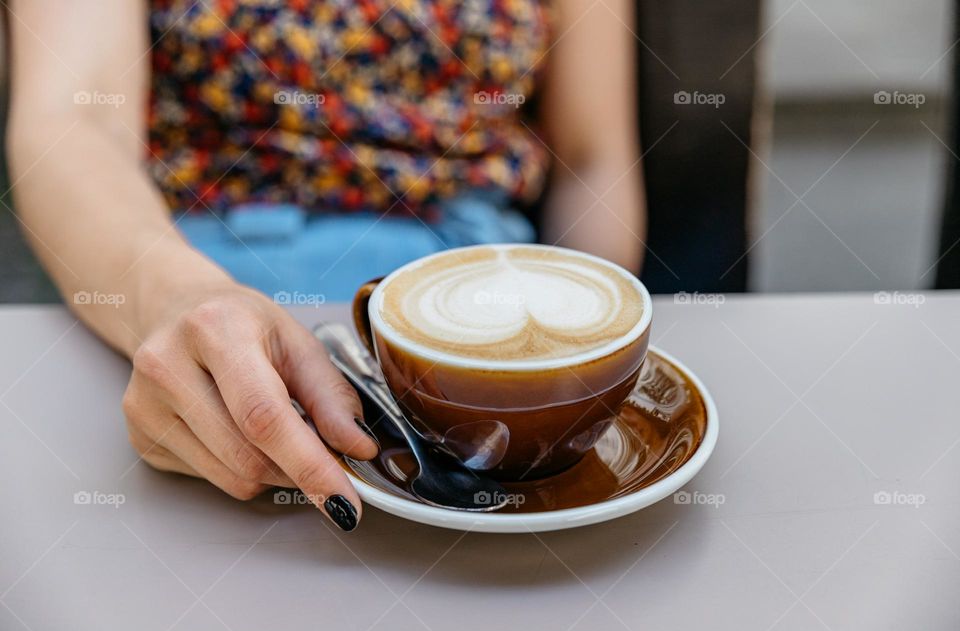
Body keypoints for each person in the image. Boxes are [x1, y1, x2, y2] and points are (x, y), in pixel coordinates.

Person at [7, 0, 643, 531]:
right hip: (183, 285)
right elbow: (73, 120)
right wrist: (174, 301)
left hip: (473, 272)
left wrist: (582, 362)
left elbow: (593, 159)